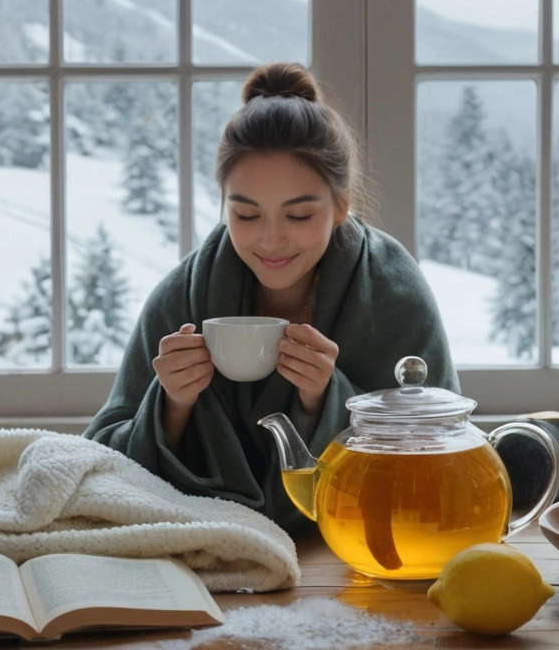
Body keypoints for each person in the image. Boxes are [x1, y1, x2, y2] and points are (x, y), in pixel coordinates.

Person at [84, 62, 458, 534]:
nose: (271, 241)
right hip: (202, 552)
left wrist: (327, 399)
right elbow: (99, 461)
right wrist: (172, 405)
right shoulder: (186, 294)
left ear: (341, 205)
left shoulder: (392, 291)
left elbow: (442, 458)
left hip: (355, 557)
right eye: (245, 215)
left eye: (299, 215)